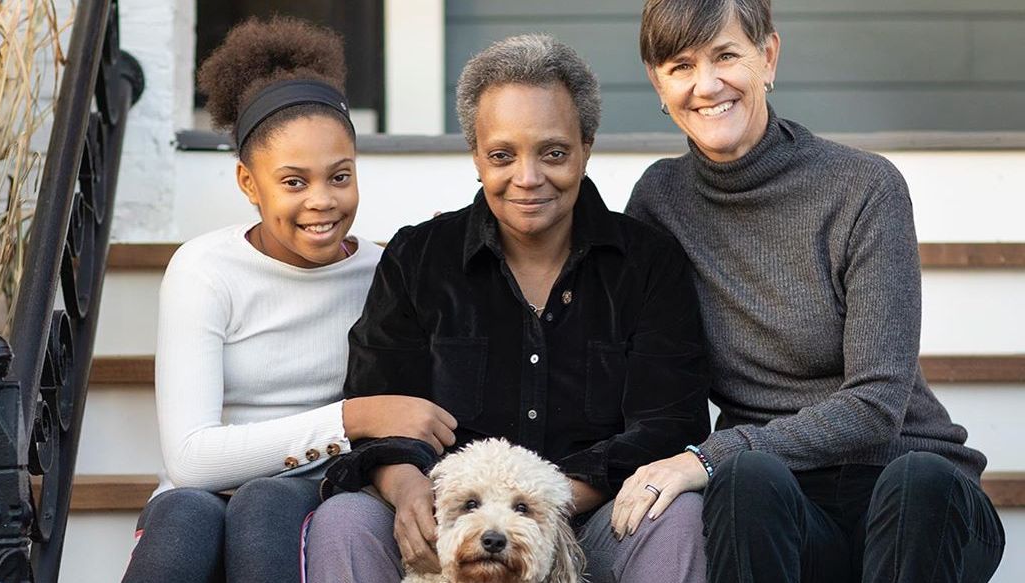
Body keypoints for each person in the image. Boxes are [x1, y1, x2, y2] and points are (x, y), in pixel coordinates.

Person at [618, 1, 1006, 582]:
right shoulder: (659, 202)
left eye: (726, 55)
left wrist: (706, 457)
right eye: (681, 65)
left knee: (917, 480)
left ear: (768, 56)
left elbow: (876, 405)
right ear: (658, 81)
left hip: (918, 500)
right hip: (781, 506)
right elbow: (616, 336)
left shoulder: (863, 187)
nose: (706, 85)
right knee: (746, 479)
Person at [306, 34, 711, 583]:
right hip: (446, 520)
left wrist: (533, 512)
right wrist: (411, 496)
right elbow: (378, 406)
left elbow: (670, 425)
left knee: (675, 515)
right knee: (346, 520)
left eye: (554, 153)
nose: (527, 178)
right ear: (475, 153)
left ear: (586, 145)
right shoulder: (419, 258)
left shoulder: (648, 264)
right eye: (502, 155)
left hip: (594, 522)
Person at [121, 18, 456, 583]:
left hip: (314, 492)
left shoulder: (385, 272)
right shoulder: (204, 271)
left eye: (340, 176)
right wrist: (355, 417)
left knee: (265, 505)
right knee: (182, 514)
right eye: (293, 182)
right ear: (249, 184)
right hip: (199, 495)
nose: (322, 202)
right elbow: (190, 459)